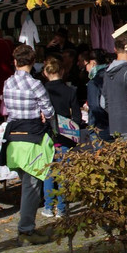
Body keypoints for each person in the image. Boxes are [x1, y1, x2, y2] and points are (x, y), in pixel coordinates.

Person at [3, 44, 55, 246]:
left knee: (27, 185)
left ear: (15, 61)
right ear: (33, 62)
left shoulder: (7, 83)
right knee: (31, 187)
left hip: (14, 139)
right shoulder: (35, 84)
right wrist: (43, 114)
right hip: (32, 138)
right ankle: (26, 230)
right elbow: (49, 111)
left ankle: (26, 228)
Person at [42, 57, 79, 218]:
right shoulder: (70, 91)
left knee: (48, 173)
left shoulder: (42, 91)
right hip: (65, 137)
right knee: (64, 173)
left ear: (45, 73)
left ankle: (48, 206)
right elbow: (77, 117)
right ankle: (62, 208)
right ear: (62, 71)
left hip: (48, 137)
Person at [84, 49, 113, 143]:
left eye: (86, 65)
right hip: (117, 124)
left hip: (101, 127)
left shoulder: (94, 82)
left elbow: (95, 106)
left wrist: (101, 124)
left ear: (93, 63)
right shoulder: (113, 75)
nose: (86, 69)